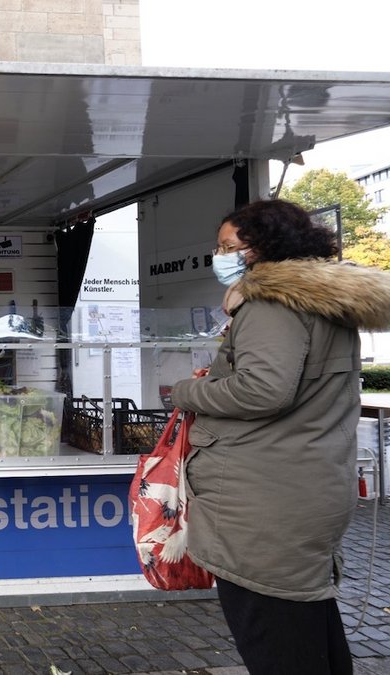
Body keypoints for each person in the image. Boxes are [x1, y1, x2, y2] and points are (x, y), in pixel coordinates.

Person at [170, 199, 390, 675]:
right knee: (306, 622)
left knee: (276, 637)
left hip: (264, 502)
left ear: (261, 249)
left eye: (229, 246)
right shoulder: (321, 302)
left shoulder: (272, 302)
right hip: (304, 485)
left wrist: (190, 392)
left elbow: (264, 390)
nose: (219, 255)